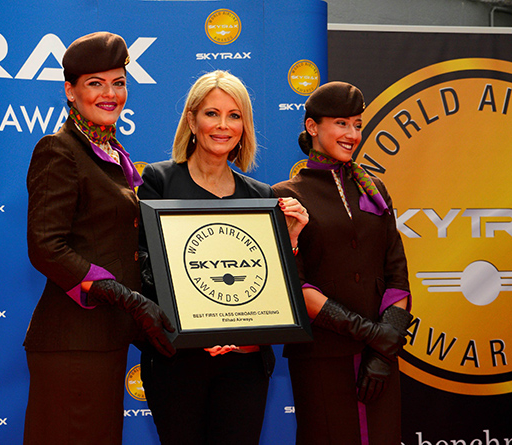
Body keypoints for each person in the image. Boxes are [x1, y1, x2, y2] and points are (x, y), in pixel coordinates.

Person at [137, 70, 309, 445]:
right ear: (192, 120)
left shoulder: (260, 196)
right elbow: (145, 266)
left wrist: (291, 239)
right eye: (211, 113)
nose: (222, 125)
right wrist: (198, 326)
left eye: (234, 116)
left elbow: (271, 284)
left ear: (244, 127)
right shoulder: (159, 181)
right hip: (178, 361)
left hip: (245, 364)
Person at [23, 31, 175, 445]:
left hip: (104, 338)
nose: (110, 94)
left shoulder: (110, 152)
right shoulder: (59, 149)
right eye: (95, 83)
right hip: (73, 342)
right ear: (70, 91)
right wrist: (126, 298)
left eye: (118, 83)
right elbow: (46, 247)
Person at [271, 81, 413, 444]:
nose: (352, 134)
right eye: (341, 123)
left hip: (380, 359)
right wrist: (372, 335)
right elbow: (295, 285)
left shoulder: (374, 189)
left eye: (357, 125)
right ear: (312, 126)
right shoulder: (286, 196)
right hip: (321, 358)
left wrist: (383, 349)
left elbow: (397, 273)